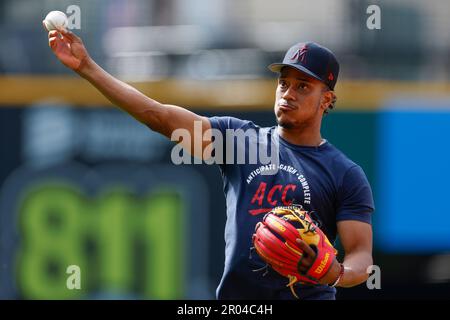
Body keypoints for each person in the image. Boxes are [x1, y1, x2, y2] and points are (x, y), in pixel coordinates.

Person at [46, 26, 374, 300]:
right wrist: (87, 67)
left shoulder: (344, 173)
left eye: (303, 86)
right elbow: (158, 116)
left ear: (326, 99)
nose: (288, 93)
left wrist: (336, 273)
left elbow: (361, 255)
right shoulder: (239, 140)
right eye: (283, 82)